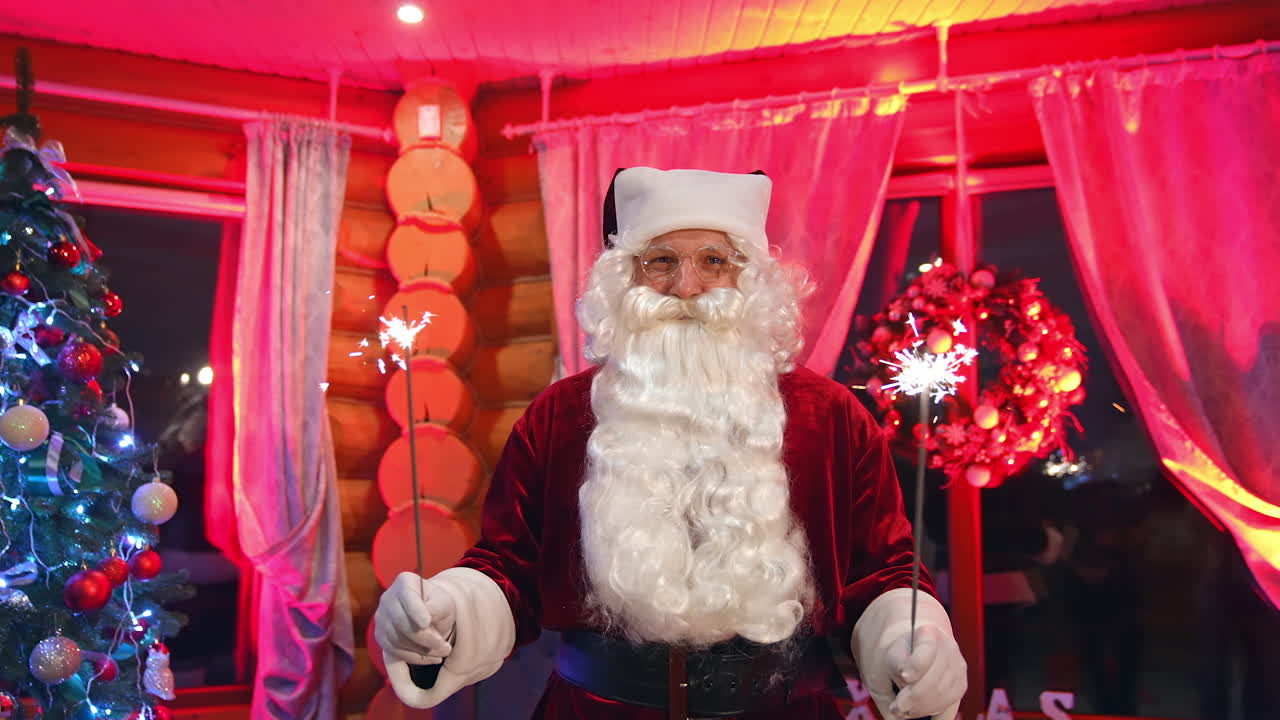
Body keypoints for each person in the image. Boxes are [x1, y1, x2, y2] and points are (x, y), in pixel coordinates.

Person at [374, 167, 967, 719]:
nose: (686, 286)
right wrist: (449, 610)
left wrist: (911, 638)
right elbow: (508, 567)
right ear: (625, 277)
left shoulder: (830, 417)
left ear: (751, 278)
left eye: (714, 259)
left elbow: (886, 571)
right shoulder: (560, 416)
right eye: (660, 261)